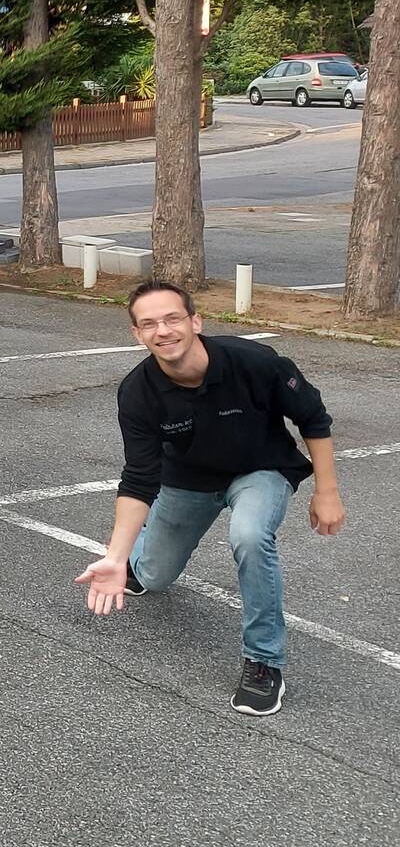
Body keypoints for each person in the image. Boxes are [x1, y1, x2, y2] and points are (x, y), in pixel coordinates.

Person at [75, 281, 343, 716]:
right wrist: (115, 556)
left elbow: (313, 418)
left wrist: (326, 492)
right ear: (137, 335)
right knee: (154, 577)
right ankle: (141, 560)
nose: (163, 331)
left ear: (195, 321)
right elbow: (139, 478)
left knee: (251, 535)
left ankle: (263, 661)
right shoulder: (138, 393)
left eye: (172, 318)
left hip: (261, 470)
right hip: (187, 481)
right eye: (149, 324)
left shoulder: (254, 362)